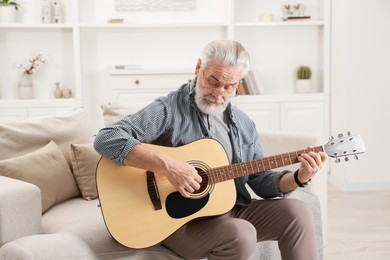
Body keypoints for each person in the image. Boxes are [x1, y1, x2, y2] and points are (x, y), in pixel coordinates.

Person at [94, 39, 327, 260]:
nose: (219, 94)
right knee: (241, 233)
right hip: (181, 221)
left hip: (231, 211)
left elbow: (260, 181)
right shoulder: (169, 109)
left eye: (230, 86)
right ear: (199, 68)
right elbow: (107, 138)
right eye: (214, 82)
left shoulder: (244, 124)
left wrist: (298, 177)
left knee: (297, 211)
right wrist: (168, 167)